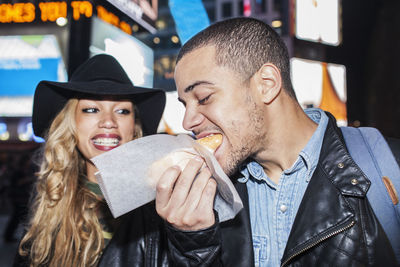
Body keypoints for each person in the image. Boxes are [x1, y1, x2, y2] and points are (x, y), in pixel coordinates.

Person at [155, 17, 399, 266]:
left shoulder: (389, 165)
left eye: (204, 98)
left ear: (267, 85)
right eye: (185, 105)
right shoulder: (206, 196)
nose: (187, 122)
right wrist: (195, 247)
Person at [14, 54, 169, 267]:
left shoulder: (163, 208)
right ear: (70, 125)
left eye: (122, 111)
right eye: (91, 110)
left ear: (134, 129)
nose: (108, 122)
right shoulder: (49, 206)